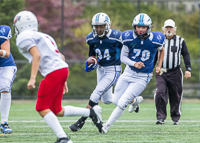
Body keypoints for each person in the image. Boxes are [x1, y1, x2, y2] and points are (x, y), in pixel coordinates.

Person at [13, 11, 103, 143]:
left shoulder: (23, 37)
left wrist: (32, 78)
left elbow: (37, 55)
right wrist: (63, 79)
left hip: (54, 72)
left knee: (41, 108)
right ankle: (91, 113)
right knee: (57, 110)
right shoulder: (44, 36)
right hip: (61, 69)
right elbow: (61, 57)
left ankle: (63, 138)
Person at [101, 13, 165, 133]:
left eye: (143, 27)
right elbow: (123, 58)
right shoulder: (128, 37)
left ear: (148, 27)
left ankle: (106, 126)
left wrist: (159, 66)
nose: (140, 30)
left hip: (142, 77)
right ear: (134, 27)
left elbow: (162, 50)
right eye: (138, 27)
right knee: (115, 100)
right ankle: (135, 101)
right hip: (128, 72)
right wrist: (134, 63)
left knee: (122, 103)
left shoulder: (156, 39)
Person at [68, 12, 128, 132]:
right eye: (97, 27)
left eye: (101, 26)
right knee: (106, 100)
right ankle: (132, 99)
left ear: (107, 25)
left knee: (96, 92)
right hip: (101, 69)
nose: (99, 29)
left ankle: (81, 121)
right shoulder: (91, 38)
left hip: (113, 69)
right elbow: (92, 56)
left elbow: (127, 50)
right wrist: (91, 62)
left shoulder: (116, 36)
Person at [154, 19, 191, 125]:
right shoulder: (159, 40)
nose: (169, 29)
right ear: (163, 29)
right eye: (167, 27)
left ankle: (175, 118)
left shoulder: (180, 40)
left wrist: (188, 69)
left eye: (171, 27)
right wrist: (149, 71)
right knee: (160, 93)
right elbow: (154, 57)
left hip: (175, 72)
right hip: (161, 72)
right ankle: (160, 117)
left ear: (175, 29)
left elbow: (186, 55)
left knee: (176, 94)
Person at [0, 25, 17, 134]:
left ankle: (4, 122)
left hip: (6, 66)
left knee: (5, 86)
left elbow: (6, 53)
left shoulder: (2, 30)